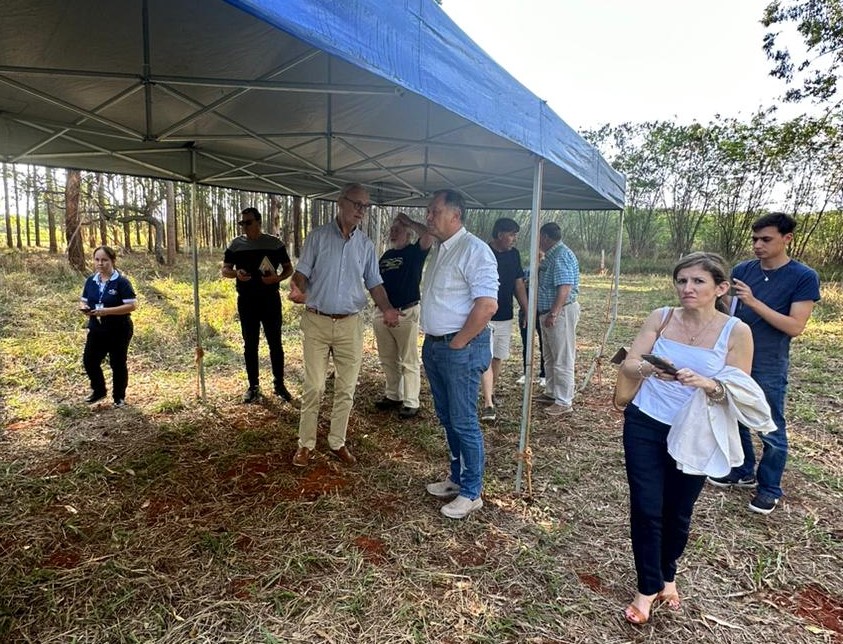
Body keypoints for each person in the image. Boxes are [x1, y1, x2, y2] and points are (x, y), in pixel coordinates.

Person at [618, 252, 755, 625]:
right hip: (645, 422)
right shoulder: (660, 317)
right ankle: (647, 588)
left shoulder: (736, 331)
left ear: (720, 288)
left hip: (697, 431)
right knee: (646, 506)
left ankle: (668, 576)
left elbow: (738, 389)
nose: (687, 289)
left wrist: (707, 383)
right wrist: (649, 367)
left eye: (697, 282)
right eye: (681, 281)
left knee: (678, 510)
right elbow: (630, 363)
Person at [708, 213, 821, 514]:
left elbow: (795, 326)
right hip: (734, 356)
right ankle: (743, 470)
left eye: (766, 239)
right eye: (755, 239)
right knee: (735, 413)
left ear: (787, 239)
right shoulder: (744, 270)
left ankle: (770, 487)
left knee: (769, 424)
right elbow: (729, 311)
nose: (758, 245)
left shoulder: (803, 277)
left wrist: (754, 301)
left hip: (769, 361)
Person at [290, 183, 399, 467]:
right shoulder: (317, 237)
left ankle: (337, 441)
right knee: (314, 386)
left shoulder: (365, 245)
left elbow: (374, 282)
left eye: (366, 206)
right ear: (341, 202)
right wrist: (297, 288)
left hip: (350, 325)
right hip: (316, 321)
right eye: (357, 204)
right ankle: (306, 444)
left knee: (346, 388)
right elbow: (301, 273)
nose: (361, 211)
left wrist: (387, 308)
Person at [421, 189, 498, 519]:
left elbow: (487, 305)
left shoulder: (474, 250)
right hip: (437, 345)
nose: (429, 217)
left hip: (460, 346)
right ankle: (457, 477)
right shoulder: (442, 248)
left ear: (455, 215)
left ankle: (472, 492)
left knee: (464, 420)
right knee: (447, 416)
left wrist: (457, 343)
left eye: (435, 211)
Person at [222, 207, 296, 404]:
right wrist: (236, 274)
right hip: (246, 301)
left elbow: (289, 268)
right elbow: (225, 270)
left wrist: (278, 278)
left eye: (248, 222)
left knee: (275, 343)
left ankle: (279, 384)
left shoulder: (274, 243)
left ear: (258, 222)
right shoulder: (236, 245)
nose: (245, 227)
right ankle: (253, 386)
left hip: (270, 300)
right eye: (242, 223)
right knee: (250, 344)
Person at [373, 213, 433, 419]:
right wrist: (384, 308)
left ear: (408, 233)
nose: (393, 232)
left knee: (408, 359)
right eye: (392, 229)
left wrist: (408, 221)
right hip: (382, 313)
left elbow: (428, 234)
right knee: (388, 358)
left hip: (406, 312)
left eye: (398, 229)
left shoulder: (415, 252)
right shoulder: (385, 256)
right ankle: (393, 395)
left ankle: (411, 401)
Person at [479, 218, 528, 422]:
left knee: (498, 356)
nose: (514, 239)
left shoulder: (514, 255)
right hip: (484, 315)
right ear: (499, 234)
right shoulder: (483, 252)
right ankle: (487, 401)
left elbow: (518, 284)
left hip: (505, 315)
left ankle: (491, 391)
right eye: (511, 234)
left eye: (515, 235)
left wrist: (526, 309)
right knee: (484, 356)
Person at [78, 245, 138, 408]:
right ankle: (99, 390)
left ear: (112, 261)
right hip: (97, 328)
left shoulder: (121, 282)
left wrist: (107, 311)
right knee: (89, 360)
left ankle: (119, 397)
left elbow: (132, 306)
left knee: (117, 363)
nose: (100, 263)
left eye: (104, 260)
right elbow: (84, 299)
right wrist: (84, 307)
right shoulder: (91, 281)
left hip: (119, 329)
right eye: (97, 260)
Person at [535, 222, 580, 416]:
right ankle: (552, 392)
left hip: (559, 312)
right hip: (547, 312)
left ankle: (564, 400)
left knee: (562, 356)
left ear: (545, 237)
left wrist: (554, 313)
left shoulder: (561, 255)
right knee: (550, 355)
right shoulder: (551, 256)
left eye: (539, 238)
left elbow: (564, 287)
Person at [516, 263, 546, 387]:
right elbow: (518, 288)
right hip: (526, 311)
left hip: (542, 310)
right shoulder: (526, 271)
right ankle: (526, 373)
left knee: (544, 344)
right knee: (527, 343)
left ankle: (544, 374)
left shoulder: (546, 270)